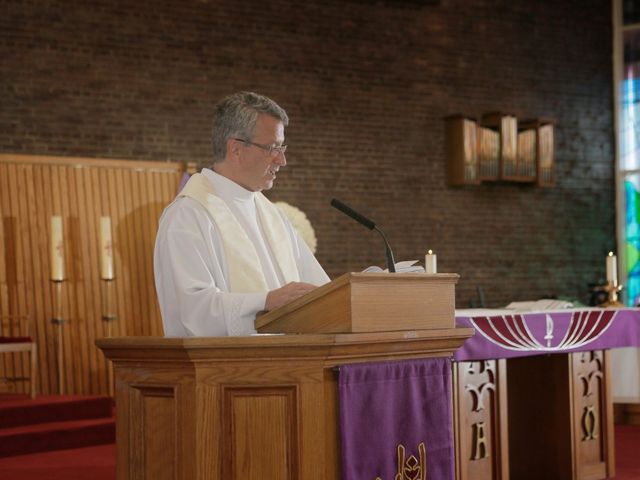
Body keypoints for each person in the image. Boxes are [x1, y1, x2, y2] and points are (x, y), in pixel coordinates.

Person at [154, 92, 330, 336]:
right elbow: (192, 311)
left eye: (282, 147)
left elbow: (319, 293)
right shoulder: (189, 215)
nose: (282, 160)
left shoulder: (273, 215)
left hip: (289, 365)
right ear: (236, 149)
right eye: (273, 148)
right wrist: (266, 302)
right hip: (223, 370)